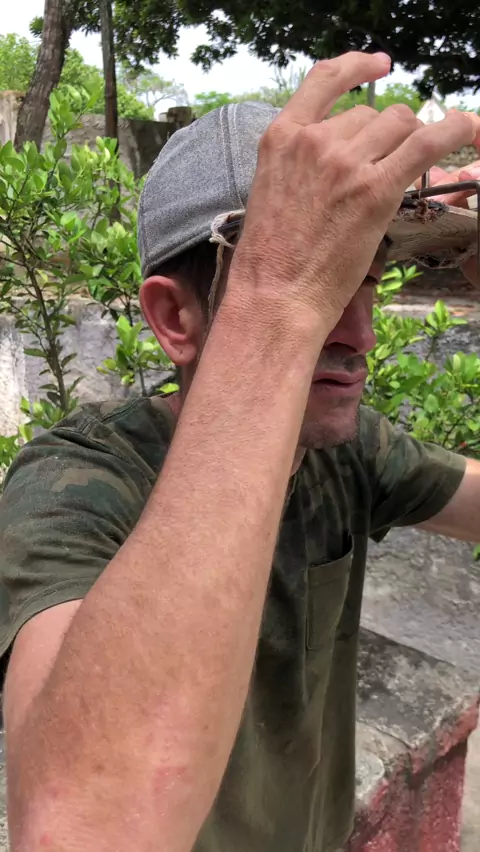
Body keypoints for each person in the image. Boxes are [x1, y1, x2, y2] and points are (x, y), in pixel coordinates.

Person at [1, 52, 479, 852]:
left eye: (363, 279)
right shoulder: (77, 483)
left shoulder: (348, 450)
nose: (360, 336)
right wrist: (278, 306)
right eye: (317, 280)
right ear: (175, 319)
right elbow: (82, 828)